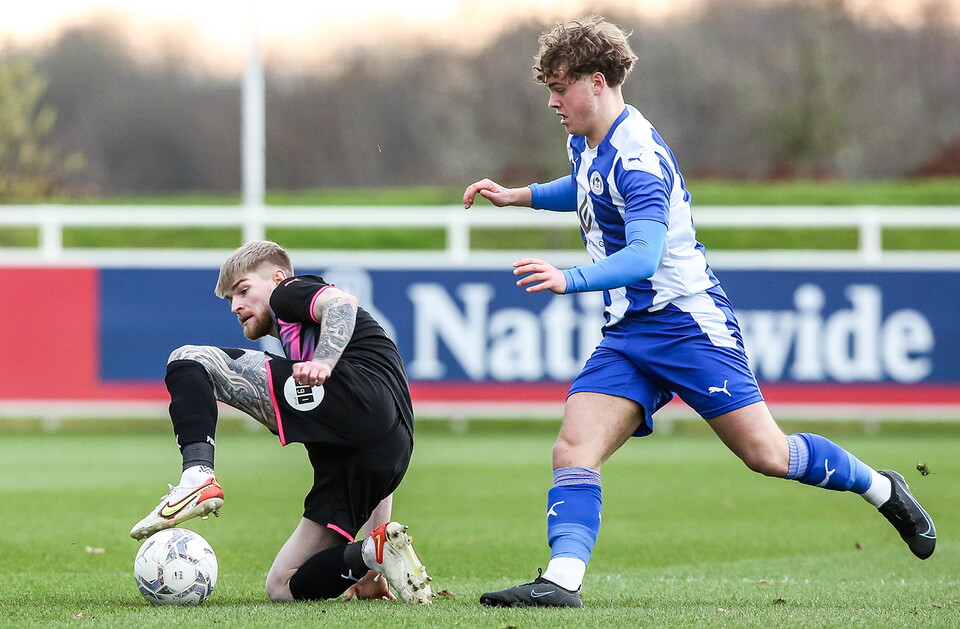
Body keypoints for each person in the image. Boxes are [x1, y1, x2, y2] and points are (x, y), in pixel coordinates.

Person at [463, 15, 936, 609]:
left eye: (560, 88)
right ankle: (561, 581)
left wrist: (570, 278)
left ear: (599, 81)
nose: (553, 102)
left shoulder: (639, 159)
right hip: (630, 334)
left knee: (767, 455)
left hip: (688, 327)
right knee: (573, 448)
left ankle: (880, 487)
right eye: (550, 90)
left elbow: (643, 256)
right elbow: (585, 185)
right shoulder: (586, 140)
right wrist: (521, 196)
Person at [129, 240, 433, 604]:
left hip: (359, 396)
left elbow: (341, 303)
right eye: (229, 300)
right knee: (282, 586)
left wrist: (324, 361)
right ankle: (373, 553)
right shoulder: (298, 338)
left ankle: (197, 476)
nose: (236, 306)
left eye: (243, 291)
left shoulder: (287, 292)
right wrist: (369, 570)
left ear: (276, 277)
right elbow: (377, 449)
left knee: (188, 359)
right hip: (386, 449)